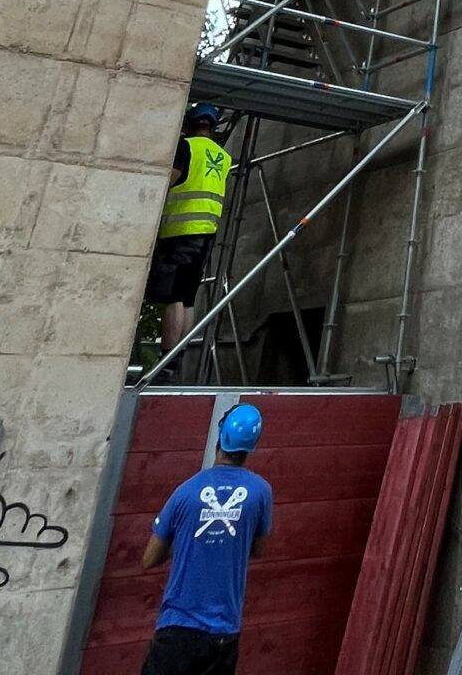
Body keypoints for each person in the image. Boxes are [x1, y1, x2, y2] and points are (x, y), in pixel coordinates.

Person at [139, 402, 273, 675]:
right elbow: (258, 549)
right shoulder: (261, 492)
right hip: (223, 633)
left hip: (177, 629)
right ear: (251, 446)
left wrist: (183, 543)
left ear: (220, 436)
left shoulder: (186, 492)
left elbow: (149, 559)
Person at [147, 104, 233, 359]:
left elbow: (167, 182)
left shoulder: (186, 148)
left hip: (179, 230)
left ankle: (167, 356)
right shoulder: (223, 156)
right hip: (207, 232)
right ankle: (178, 358)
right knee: (188, 297)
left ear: (189, 124)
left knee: (173, 295)